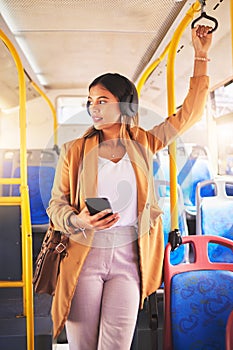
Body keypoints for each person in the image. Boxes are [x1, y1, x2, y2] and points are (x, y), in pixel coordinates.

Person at [47, 25, 212, 349]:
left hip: (130, 256)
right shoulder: (73, 150)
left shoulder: (145, 143)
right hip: (85, 253)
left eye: (102, 100)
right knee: (83, 346)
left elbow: (189, 115)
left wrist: (201, 56)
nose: (94, 107)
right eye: (90, 101)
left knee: (117, 345)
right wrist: (80, 220)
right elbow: (56, 205)